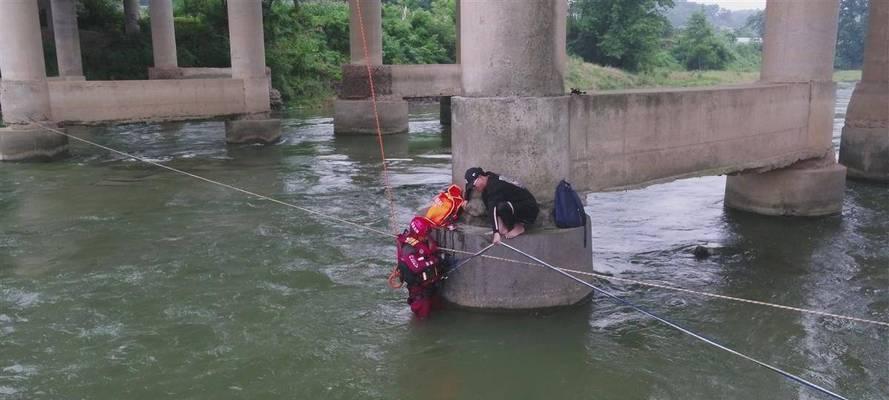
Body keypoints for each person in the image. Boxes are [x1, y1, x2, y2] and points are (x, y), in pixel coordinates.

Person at [464, 167, 539, 243]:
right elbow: (468, 187)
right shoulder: (488, 177)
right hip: (514, 204)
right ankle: (503, 228)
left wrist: (496, 232)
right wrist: (466, 199)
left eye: (474, 185)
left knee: (502, 207)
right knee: (486, 197)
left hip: (529, 208)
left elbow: (492, 209)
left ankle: (520, 227)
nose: (474, 188)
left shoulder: (495, 186)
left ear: (480, 177)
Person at [394, 216, 445, 319]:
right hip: (419, 290)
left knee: (439, 309)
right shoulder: (408, 250)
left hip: (429, 286)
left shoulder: (420, 241)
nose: (427, 237)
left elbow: (429, 250)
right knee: (423, 316)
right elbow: (417, 267)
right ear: (417, 234)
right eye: (424, 235)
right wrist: (434, 261)